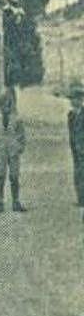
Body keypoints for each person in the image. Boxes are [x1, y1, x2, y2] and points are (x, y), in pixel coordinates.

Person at [0, 87, 27, 213]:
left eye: (8, 105)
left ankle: (16, 201)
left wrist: (20, 148)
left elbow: (22, 136)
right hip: (0, 152)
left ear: (11, 106)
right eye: (3, 105)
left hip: (13, 152)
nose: (6, 108)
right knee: (0, 177)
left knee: (14, 177)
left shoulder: (17, 119)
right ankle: (0, 202)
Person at [68, 81, 84, 216]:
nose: (72, 102)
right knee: (78, 172)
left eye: (75, 99)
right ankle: (80, 197)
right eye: (72, 99)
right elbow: (71, 133)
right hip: (76, 149)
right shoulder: (71, 115)